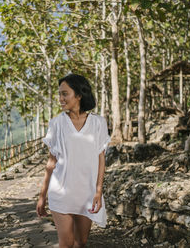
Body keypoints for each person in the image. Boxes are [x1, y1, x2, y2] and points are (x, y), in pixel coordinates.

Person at [36, 73, 111, 248]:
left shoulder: (99, 123)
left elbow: (101, 160)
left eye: (64, 93)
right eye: (59, 94)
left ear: (78, 95)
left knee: (81, 242)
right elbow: (51, 163)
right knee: (66, 243)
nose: (60, 98)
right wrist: (42, 196)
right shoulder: (57, 124)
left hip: (87, 192)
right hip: (61, 192)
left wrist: (98, 192)